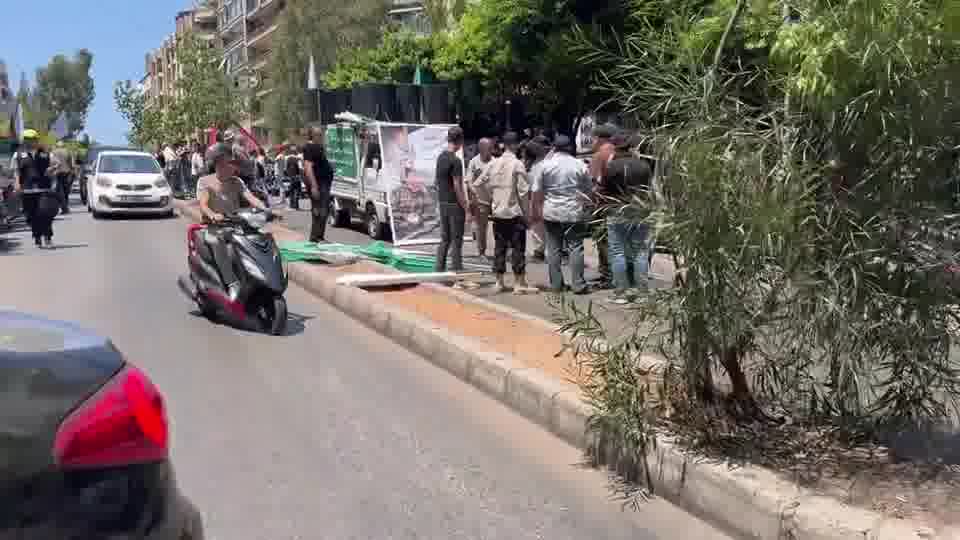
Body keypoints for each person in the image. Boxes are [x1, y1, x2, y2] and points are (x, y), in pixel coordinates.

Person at [196, 143, 268, 300]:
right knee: (217, 242)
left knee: (261, 238)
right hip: (215, 227)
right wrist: (212, 214)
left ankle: (260, 276)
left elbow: (251, 198)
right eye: (230, 163)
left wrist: (267, 209)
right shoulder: (205, 181)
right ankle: (232, 283)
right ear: (219, 165)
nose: (234, 167)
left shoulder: (237, 182)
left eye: (234, 163)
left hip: (236, 226)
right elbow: (203, 204)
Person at [475, 132, 537, 294]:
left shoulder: (493, 164)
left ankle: (499, 282)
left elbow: (478, 184)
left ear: (503, 145)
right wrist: (527, 214)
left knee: (499, 247)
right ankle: (518, 283)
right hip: (514, 212)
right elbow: (523, 192)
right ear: (516, 145)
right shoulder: (517, 164)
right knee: (518, 247)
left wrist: (489, 199)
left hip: (497, 212)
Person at [531, 135, 593, 294]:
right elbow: (588, 190)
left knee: (553, 248)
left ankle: (556, 284)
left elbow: (536, 191)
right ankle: (578, 284)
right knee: (576, 247)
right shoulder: (580, 165)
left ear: (554, 148)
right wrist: (586, 209)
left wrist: (537, 211)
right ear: (569, 148)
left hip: (551, 211)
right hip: (573, 211)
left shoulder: (545, 165)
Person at [603, 131, 655, 303]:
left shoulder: (612, 166)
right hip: (639, 210)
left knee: (618, 251)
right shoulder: (643, 166)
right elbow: (649, 190)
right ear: (631, 147)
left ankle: (621, 292)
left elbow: (605, 190)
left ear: (615, 147)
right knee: (640, 250)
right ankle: (642, 292)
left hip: (617, 211)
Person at [14, 129, 57, 248]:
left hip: (44, 189)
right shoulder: (18, 154)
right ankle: (37, 236)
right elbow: (16, 171)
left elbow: (55, 164)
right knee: (31, 216)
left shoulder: (45, 153)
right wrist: (17, 184)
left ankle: (47, 237)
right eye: (27, 139)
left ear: (36, 140)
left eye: (32, 139)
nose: (29, 142)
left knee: (45, 213)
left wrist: (51, 170)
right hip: (27, 190)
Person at [434, 126, 468, 274]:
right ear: (460, 141)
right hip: (454, 204)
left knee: (445, 239)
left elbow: (436, 182)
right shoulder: (456, 161)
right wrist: (466, 206)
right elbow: (457, 186)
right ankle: (456, 273)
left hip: (443, 202)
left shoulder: (441, 157)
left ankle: (439, 269)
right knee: (456, 241)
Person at [590, 124, 619, 288]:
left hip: (602, 204)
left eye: (594, 138)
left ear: (600, 138)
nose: (592, 141)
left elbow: (594, 182)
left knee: (603, 240)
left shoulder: (599, 156)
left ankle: (607, 275)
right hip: (618, 203)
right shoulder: (618, 153)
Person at [302, 127, 334, 242]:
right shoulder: (310, 147)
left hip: (324, 183)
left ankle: (319, 237)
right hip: (318, 184)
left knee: (323, 211)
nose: (321, 137)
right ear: (313, 135)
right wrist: (314, 186)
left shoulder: (318, 147)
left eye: (321, 135)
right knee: (318, 211)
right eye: (319, 135)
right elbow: (308, 168)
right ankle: (316, 238)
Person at [465, 137, 494, 259]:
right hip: (480, 200)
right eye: (489, 148)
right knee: (482, 227)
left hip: (495, 200)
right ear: (482, 148)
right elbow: (468, 181)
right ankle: (481, 252)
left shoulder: (495, 161)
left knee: (500, 226)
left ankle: (502, 251)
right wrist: (474, 192)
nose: (492, 149)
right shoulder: (474, 162)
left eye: (492, 147)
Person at [51, 141, 74, 214]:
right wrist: (72, 171)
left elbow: (51, 162)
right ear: (63, 145)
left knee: (59, 191)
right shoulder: (68, 152)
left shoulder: (53, 152)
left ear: (57, 145)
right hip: (67, 172)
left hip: (57, 172)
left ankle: (63, 207)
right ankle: (65, 207)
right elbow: (71, 164)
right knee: (65, 190)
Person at [284, 142, 303, 210]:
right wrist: (301, 176)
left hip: (291, 176)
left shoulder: (288, 158)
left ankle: (292, 205)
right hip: (297, 176)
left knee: (291, 191)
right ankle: (296, 205)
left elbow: (286, 168)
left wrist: (288, 174)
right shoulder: (298, 158)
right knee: (297, 190)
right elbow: (300, 168)